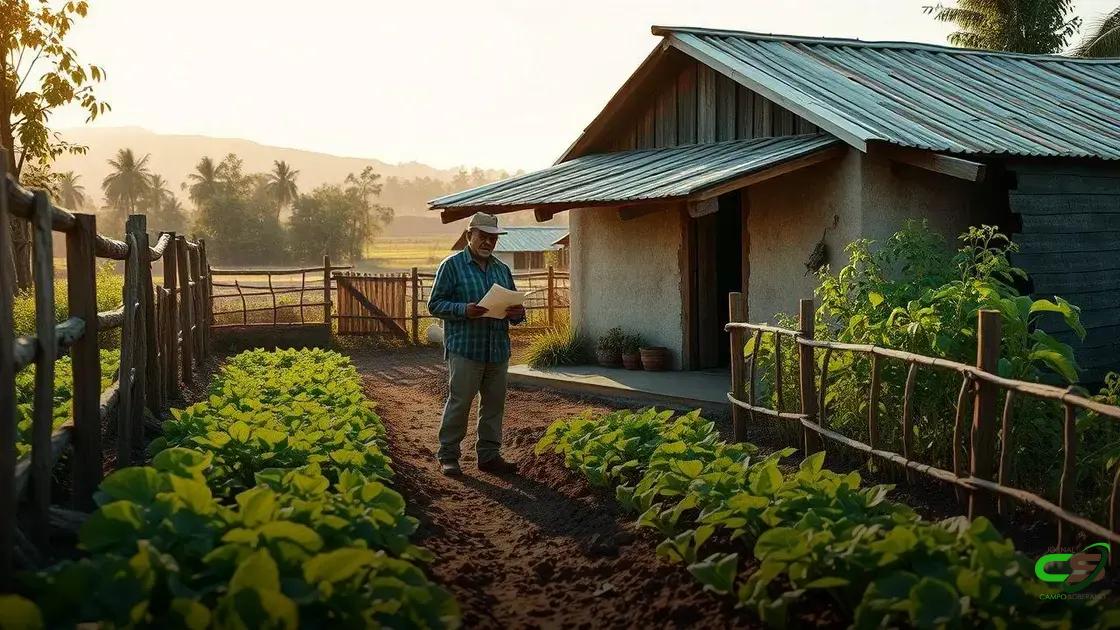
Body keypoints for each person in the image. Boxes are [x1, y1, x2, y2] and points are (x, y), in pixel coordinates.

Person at [428, 212, 526, 476]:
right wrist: (464, 310)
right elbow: (434, 304)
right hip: (465, 349)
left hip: (497, 349)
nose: (488, 242)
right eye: (483, 236)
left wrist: (518, 313)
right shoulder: (451, 266)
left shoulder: (501, 269)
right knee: (460, 403)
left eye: (493, 238)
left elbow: (515, 308)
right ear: (469, 235)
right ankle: (448, 455)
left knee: (494, 405)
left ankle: (489, 456)